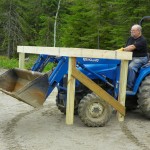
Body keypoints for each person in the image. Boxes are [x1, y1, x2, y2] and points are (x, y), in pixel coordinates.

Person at [119, 24, 148, 90]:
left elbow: (131, 47)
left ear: (138, 31)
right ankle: (119, 82)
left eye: (133, 31)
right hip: (130, 57)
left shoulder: (142, 40)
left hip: (141, 58)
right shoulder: (130, 39)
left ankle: (129, 86)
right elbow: (127, 48)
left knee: (131, 67)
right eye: (131, 30)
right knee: (120, 64)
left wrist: (122, 49)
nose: (131, 32)